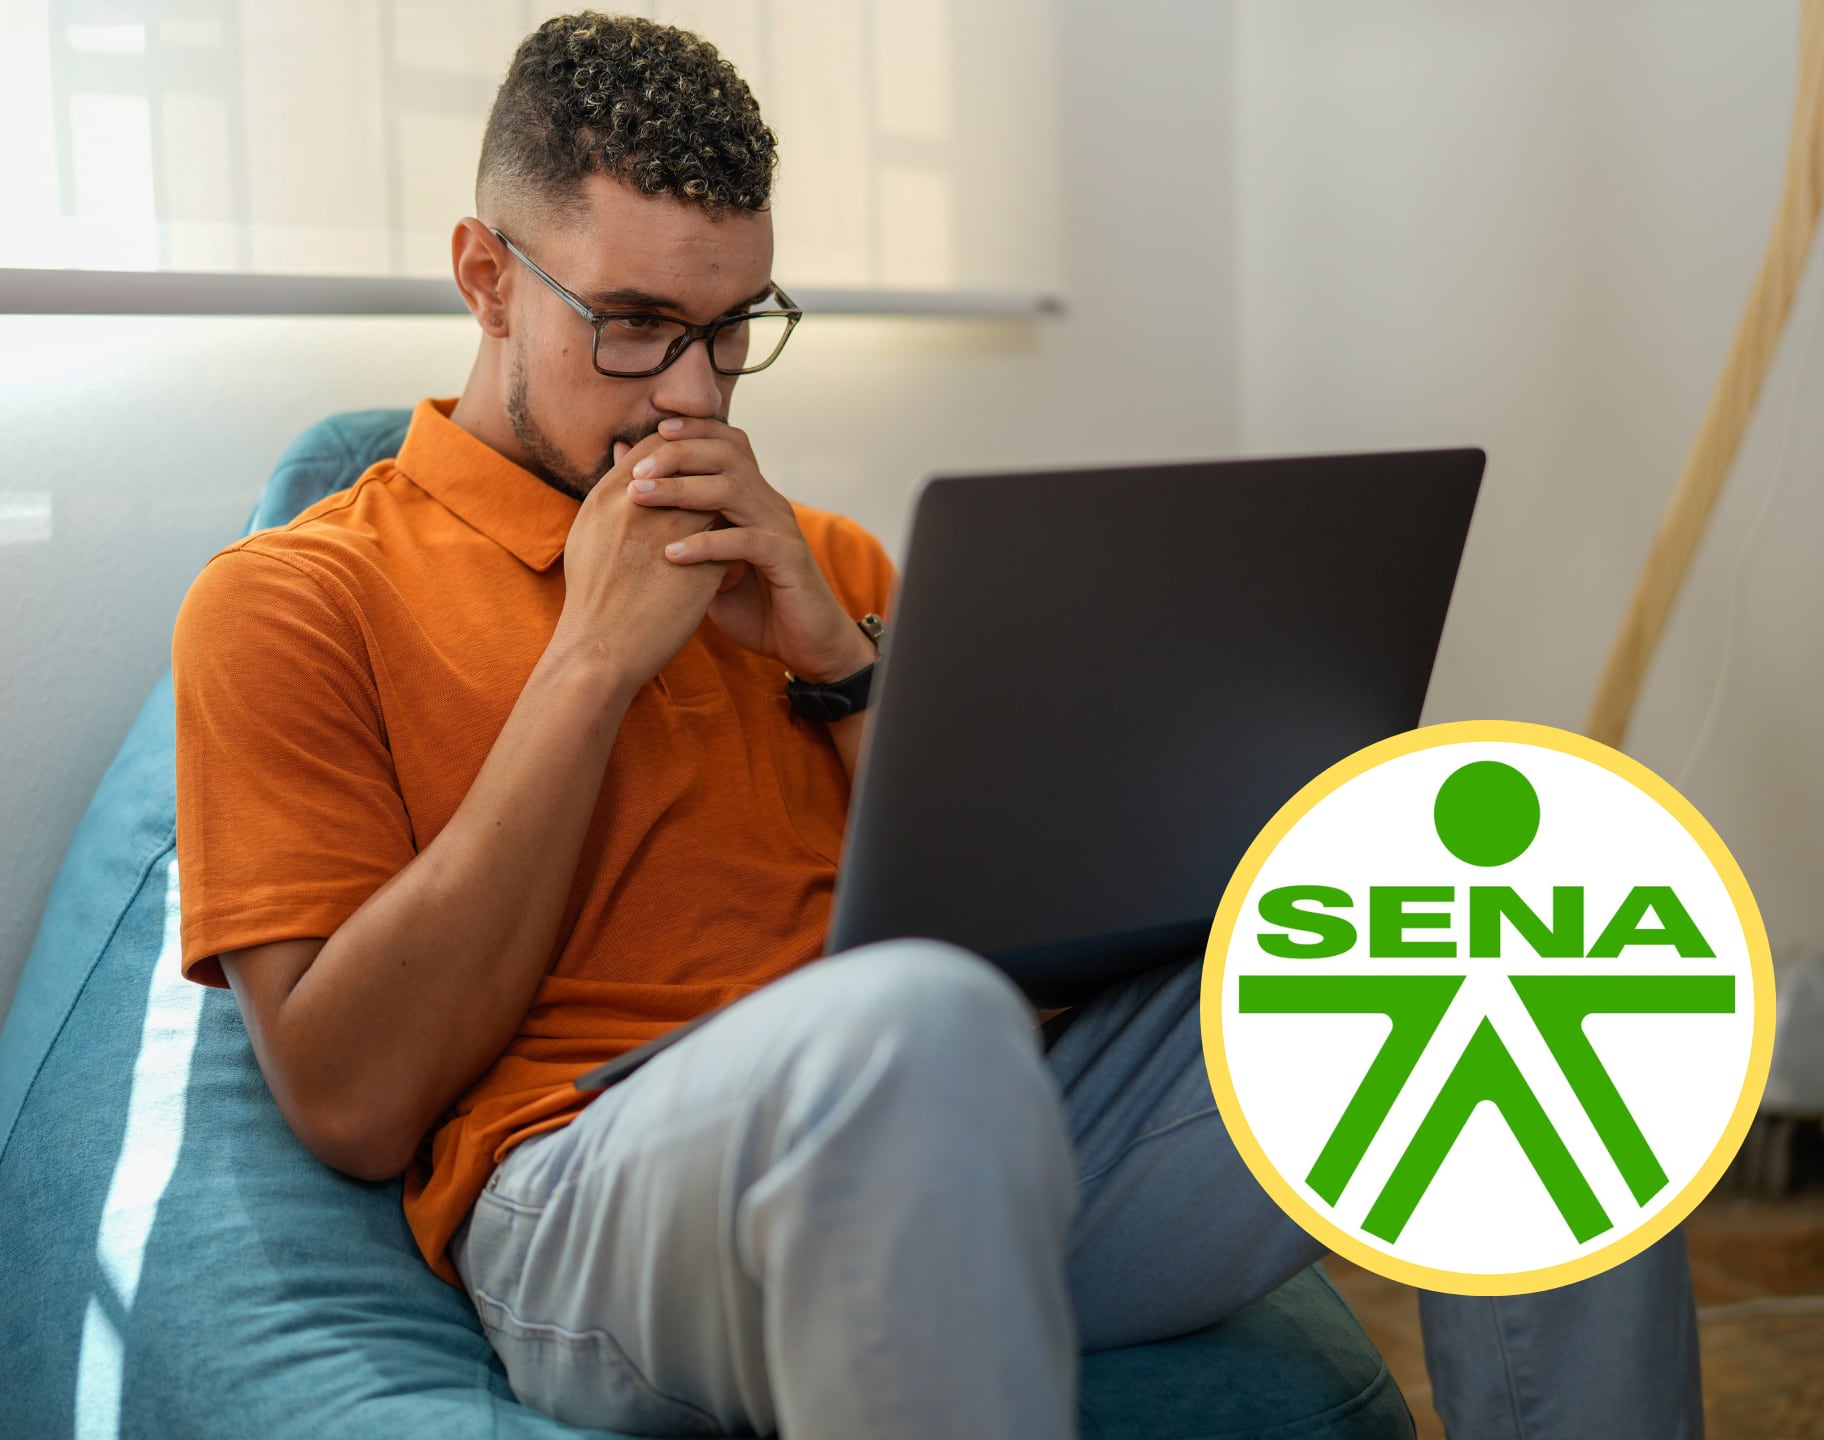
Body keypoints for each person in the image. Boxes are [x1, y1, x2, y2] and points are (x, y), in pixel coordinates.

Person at [170, 12, 1706, 1438]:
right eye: (634, 324)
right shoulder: (298, 598)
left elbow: (1022, 942)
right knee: (916, 1024)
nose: (691, 396)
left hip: (993, 1139)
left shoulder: (823, 565)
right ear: (486, 275)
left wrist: (843, 664)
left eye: (733, 327)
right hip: (593, 1190)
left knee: (1532, 934)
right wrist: (588, 668)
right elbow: (350, 1101)